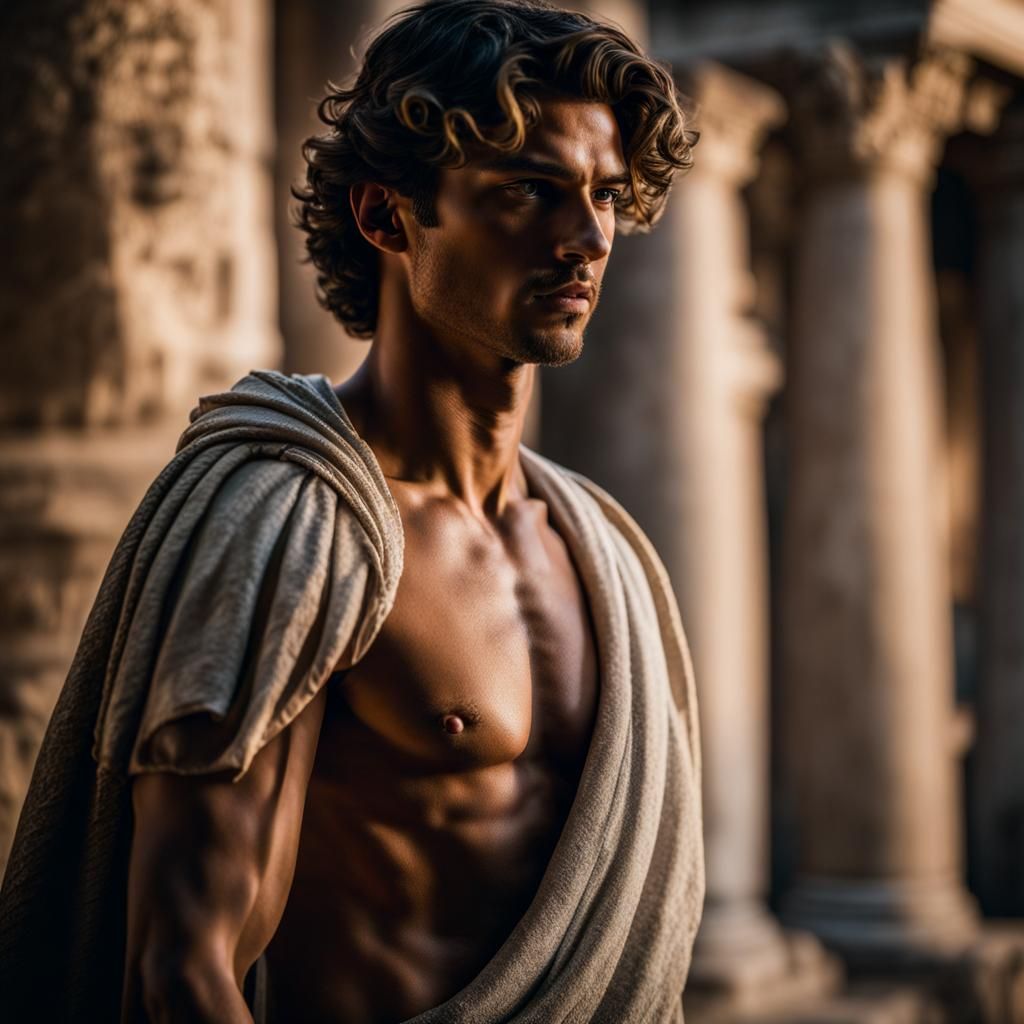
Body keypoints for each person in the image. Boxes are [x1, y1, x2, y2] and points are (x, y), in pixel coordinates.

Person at [0, 1, 704, 1020]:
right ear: (386, 217)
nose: (588, 238)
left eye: (603, 195)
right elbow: (179, 970)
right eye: (527, 191)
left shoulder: (603, 552)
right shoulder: (288, 520)